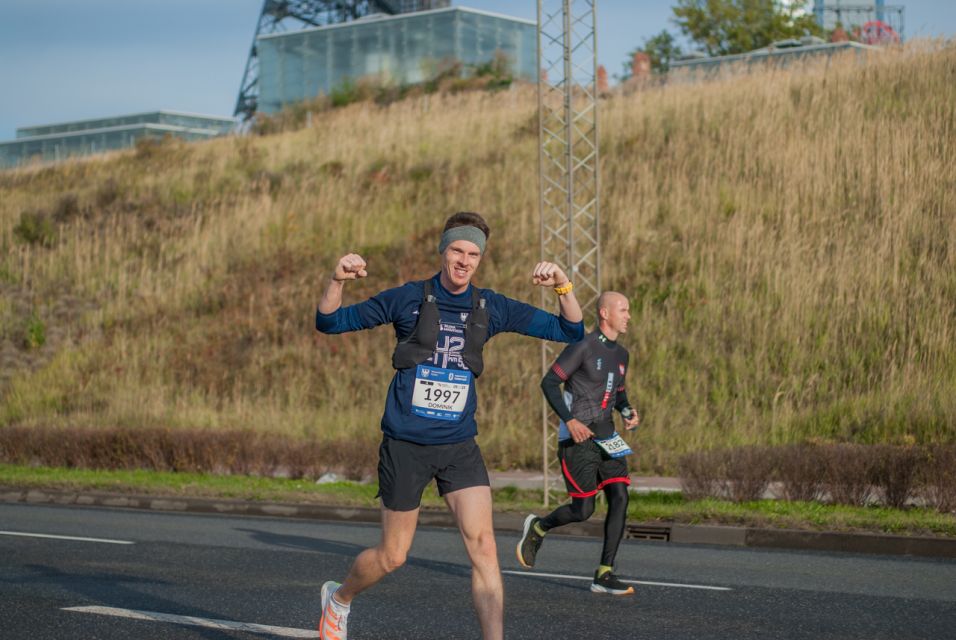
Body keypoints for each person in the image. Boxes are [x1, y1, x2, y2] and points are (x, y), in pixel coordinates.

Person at [314, 211, 583, 640]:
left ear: (480, 259)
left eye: (473, 253)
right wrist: (337, 280)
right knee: (393, 555)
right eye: (457, 250)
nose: (464, 260)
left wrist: (562, 286)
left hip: (458, 444)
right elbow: (330, 322)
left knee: (485, 548)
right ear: (443, 251)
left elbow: (571, 329)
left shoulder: (489, 306)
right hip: (406, 444)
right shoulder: (408, 298)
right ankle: (340, 598)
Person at [516, 291, 640, 596]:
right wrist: (570, 420)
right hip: (577, 439)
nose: (628, 316)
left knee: (620, 495)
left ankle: (604, 573)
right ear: (604, 313)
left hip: (607, 437)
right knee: (583, 509)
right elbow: (548, 382)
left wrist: (626, 411)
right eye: (623, 310)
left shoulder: (621, 355)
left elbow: (618, 392)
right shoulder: (582, 347)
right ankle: (539, 527)